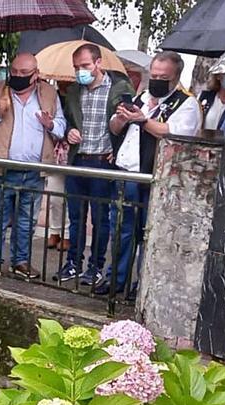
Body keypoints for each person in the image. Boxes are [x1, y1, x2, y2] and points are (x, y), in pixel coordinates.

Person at [106, 51, 201, 298]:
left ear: (176, 77)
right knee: (120, 230)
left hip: (156, 178)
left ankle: (142, 285)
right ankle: (116, 280)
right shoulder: (141, 97)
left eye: (163, 77)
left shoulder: (186, 103)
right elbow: (115, 130)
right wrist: (121, 117)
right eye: (154, 76)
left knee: (148, 234)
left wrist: (142, 119)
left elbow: (175, 133)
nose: (156, 81)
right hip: (125, 173)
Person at [0, 52, 65, 283]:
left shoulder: (49, 94)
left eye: (24, 73)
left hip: (33, 171)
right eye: (14, 71)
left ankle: (20, 262)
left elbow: (61, 127)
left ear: (36, 75)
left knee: (27, 221)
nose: (18, 76)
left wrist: (50, 124)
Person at [57, 43, 135, 287]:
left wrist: (118, 149)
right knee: (76, 217)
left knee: (100, 219)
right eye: (77, 67)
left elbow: (129, 126)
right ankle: (73, 262)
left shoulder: (118, 89)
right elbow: (67, 121)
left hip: (103, 161)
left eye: (85, 66)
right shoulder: (73, 92)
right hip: (78, 160)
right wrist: (69, 132)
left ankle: (95, 266)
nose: (81, 71)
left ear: (98, 63)